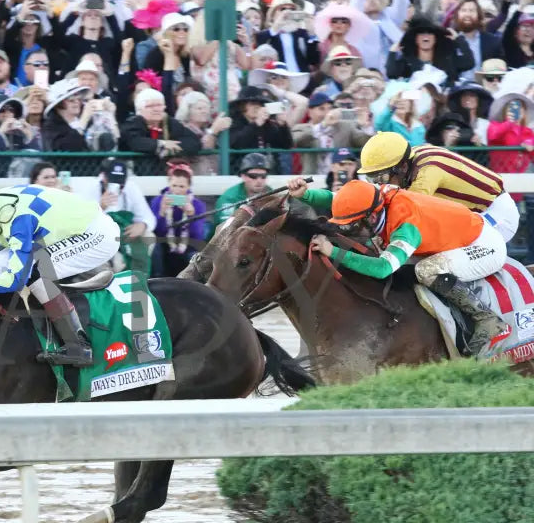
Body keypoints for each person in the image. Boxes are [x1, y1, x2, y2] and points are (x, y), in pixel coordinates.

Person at [287, 176, 508, 356]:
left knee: (425, 270)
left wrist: (333, 252)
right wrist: (306, 195)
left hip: (483, 246)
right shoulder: (375, 197)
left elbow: (382, 268)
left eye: (353, 225)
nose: (349, 229)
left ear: (371, 217)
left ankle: (486, 319)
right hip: (458, 235)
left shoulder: (405, 226)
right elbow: (340, 200)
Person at [0, 167, 120, 368]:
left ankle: (78, 346)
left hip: (97, 235)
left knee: (34, 269)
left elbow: (14, 280)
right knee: (0, 262)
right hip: (72, 228)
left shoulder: (16, 219)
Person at [357, 131, 519, 242]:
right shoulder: (410, 156)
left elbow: (406, 213)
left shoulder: (427, 174)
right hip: (478, 212)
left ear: (403, 167)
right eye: (373, 178)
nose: (380, 184)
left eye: (382, 177)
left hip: (496, 215)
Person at [150, 163, 208, 277]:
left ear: (188, 187)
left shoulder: (197, 204)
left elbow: (198, 236)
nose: (177, 191)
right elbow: (156, 232)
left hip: (187, 246)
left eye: (181, 187)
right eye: (174, 185)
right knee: (155, 249)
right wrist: (161, 213)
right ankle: (157, 280)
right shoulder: (158, 201)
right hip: (165, 244)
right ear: (169, 184)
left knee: (195, 255)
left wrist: (191, 215)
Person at [213, 152, 271, 228]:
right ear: (243, 176)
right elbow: (226, 228)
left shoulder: (270, 193)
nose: (259, 180)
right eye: (253, 176)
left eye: (263, 176)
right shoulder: (230, 197)